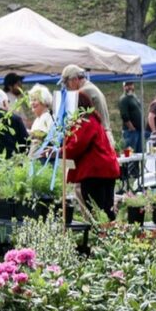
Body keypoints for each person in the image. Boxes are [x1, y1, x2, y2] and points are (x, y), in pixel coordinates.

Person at [63, 90, 120, 220]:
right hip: (104, 171)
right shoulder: (91, 120)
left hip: (95, 172)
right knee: (105, 210)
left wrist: (57, 151)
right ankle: (110, 236)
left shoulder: (85, 122)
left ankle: (100, 237)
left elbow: (75, 146)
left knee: (96, 211)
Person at [61, 64, 114, 146]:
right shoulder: (90, 87)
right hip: (104, 135)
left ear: (75, 79)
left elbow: (75, 119)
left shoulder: (83, 92)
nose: (67, 87)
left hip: (99, 139)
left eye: (67, 83)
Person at [28, 84, 55, 159]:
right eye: (31, 100)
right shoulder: (37, 120)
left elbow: (45, 138)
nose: (32, 103)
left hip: (44, 161)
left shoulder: (48, 117)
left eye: (35, 100)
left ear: (44, 101)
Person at [118, 80, 144, 153]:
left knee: (139, 154)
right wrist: (131, 127)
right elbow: (124, 115)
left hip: (139, 130)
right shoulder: (124, 99)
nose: (129, 87)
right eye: (127, 85)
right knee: (130, 154)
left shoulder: (134, 97)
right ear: (123, 87)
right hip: (131, 132)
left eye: (131, 85)